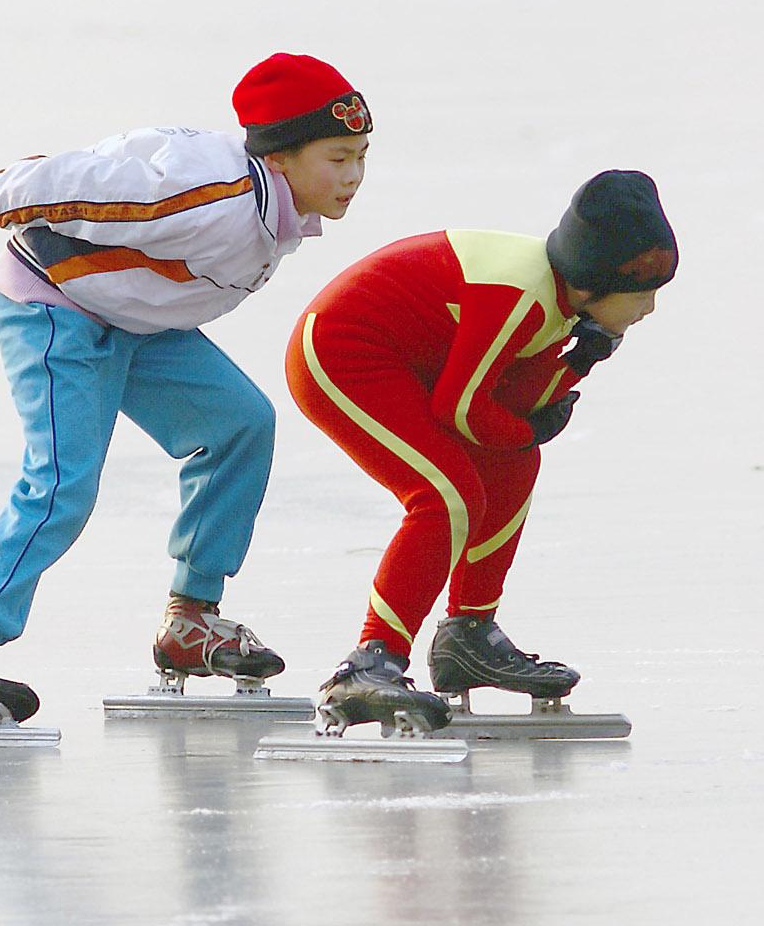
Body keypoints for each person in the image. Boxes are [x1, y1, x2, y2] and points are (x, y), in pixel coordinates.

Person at [0, 53, 372, 723]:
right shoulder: (212, 197)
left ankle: (191, 619)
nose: (354, 175)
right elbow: (83, 181)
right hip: (55, 304)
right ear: (280, 156)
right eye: (338, 157)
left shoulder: (273, 205)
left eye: (361, 155)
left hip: (138, 319)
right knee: (63, 482)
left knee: (240, 423)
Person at [284, 170, 677, 730]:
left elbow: (517, 407)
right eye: (643, 295)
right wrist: (527, 428)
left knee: (515, 462)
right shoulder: (518, 298)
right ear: (594, 285)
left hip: (412, 360)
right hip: (343, 350)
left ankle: (468, 634)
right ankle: (368, 663)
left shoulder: (562, 302)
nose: (651, 309)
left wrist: (580, 360)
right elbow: (464, 409)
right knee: (445, 496)